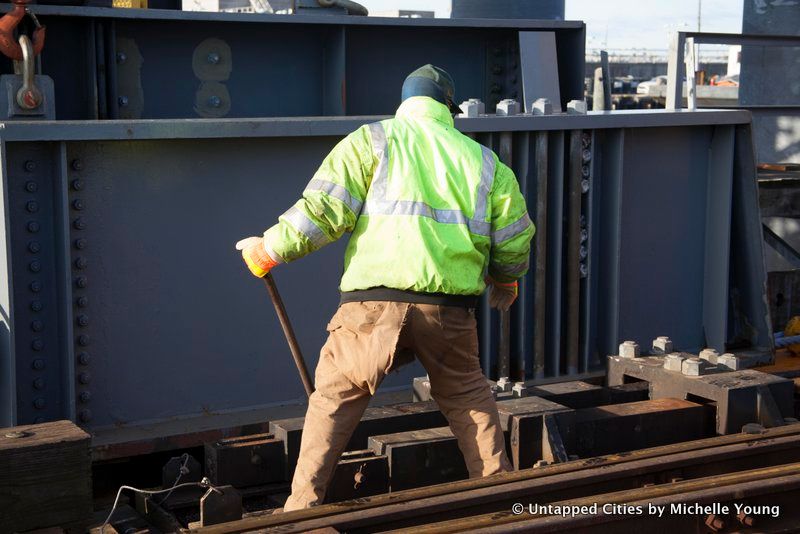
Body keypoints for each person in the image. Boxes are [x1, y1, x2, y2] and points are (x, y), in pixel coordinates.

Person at [236, 64, 534, 510]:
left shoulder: (371, 141)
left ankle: (301, 508)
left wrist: (269, 250)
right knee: (470, 398)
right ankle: (497, 498)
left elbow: (322, 211)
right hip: (448, 309)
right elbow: (513, 238)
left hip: (370, 307)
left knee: (333, 402)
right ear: (448, 108)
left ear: (405, 102)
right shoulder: (485, 162)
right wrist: (505, 279)